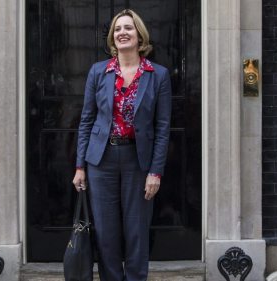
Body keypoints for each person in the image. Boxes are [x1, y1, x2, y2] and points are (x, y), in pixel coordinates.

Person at [72, 9, 172, 281]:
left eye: (128, 28)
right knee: (106, 232)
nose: (122, 33)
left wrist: (155, 172)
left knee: (137, 230)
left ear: (140, 36)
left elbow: (162, 128)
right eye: (117, 29)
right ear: (112, 37)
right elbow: (87, 120)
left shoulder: (158, 75)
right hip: (100, 161)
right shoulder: (98, 72)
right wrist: (80, 166)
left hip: (137, 161)